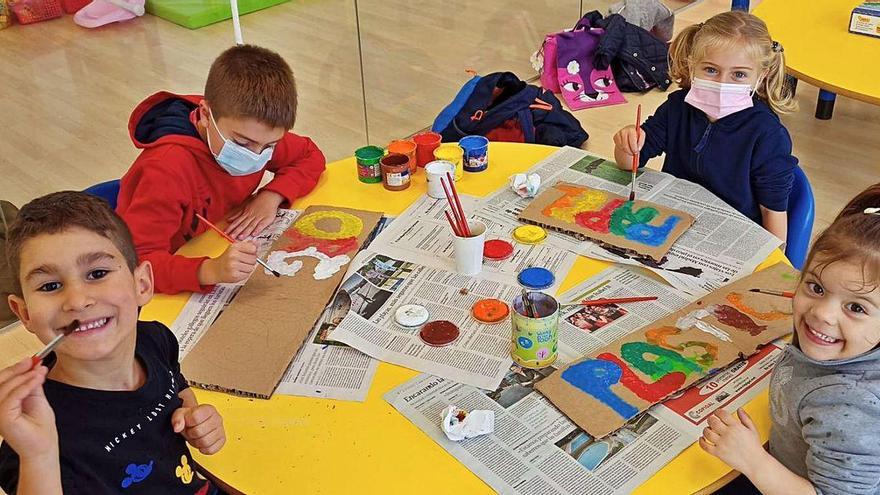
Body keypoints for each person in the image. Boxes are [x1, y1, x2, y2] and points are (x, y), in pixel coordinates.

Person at [0, 192, 226, 494]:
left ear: (141, 284)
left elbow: (177, 388)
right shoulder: (31, 433)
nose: (78, 301)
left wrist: (193, 418)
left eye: (97, 273)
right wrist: (39, 457)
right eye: (50, 286)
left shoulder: (154, 339)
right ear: (25, 313)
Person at [701, 184, 880, 494]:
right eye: (816, 287)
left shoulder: (851, 407)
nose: (822, 314)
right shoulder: (839, 343)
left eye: (855, 308)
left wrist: (753, 461)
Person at [118, 44, 326, 294]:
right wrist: (211, 271)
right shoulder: (165, 170)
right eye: (242, 143)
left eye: (270, 146)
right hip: (164, 284)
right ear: (206, 115)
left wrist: (272, 196)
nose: (255, 156)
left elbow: (310, 155)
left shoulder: (251, 131)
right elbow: (137, 265)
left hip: (209, 243)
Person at [612, 10, 797, 242]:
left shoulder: (767, 134)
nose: (722, 83)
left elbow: (773, 212)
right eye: (710, 70)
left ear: (762, 74)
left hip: (729, 236)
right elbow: (629, 163)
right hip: (671, 222)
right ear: (692, 65)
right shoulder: (676, 107)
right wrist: (628, 142)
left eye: (739, 74)